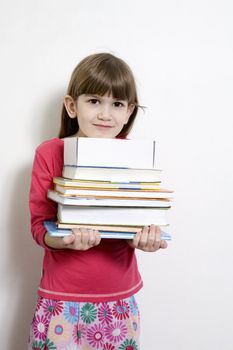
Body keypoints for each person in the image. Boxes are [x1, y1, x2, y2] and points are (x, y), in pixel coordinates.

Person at [28, 52, 168, 350]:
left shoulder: (136, 157)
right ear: (71, 106)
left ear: (129, 111)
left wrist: (143, 239)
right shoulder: (49, 153)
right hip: (61, 298)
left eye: (117, 104)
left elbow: (138, 220)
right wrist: (64, 240)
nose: (106, 114)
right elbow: (39, 227)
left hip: (118, 299)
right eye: (94, 101)